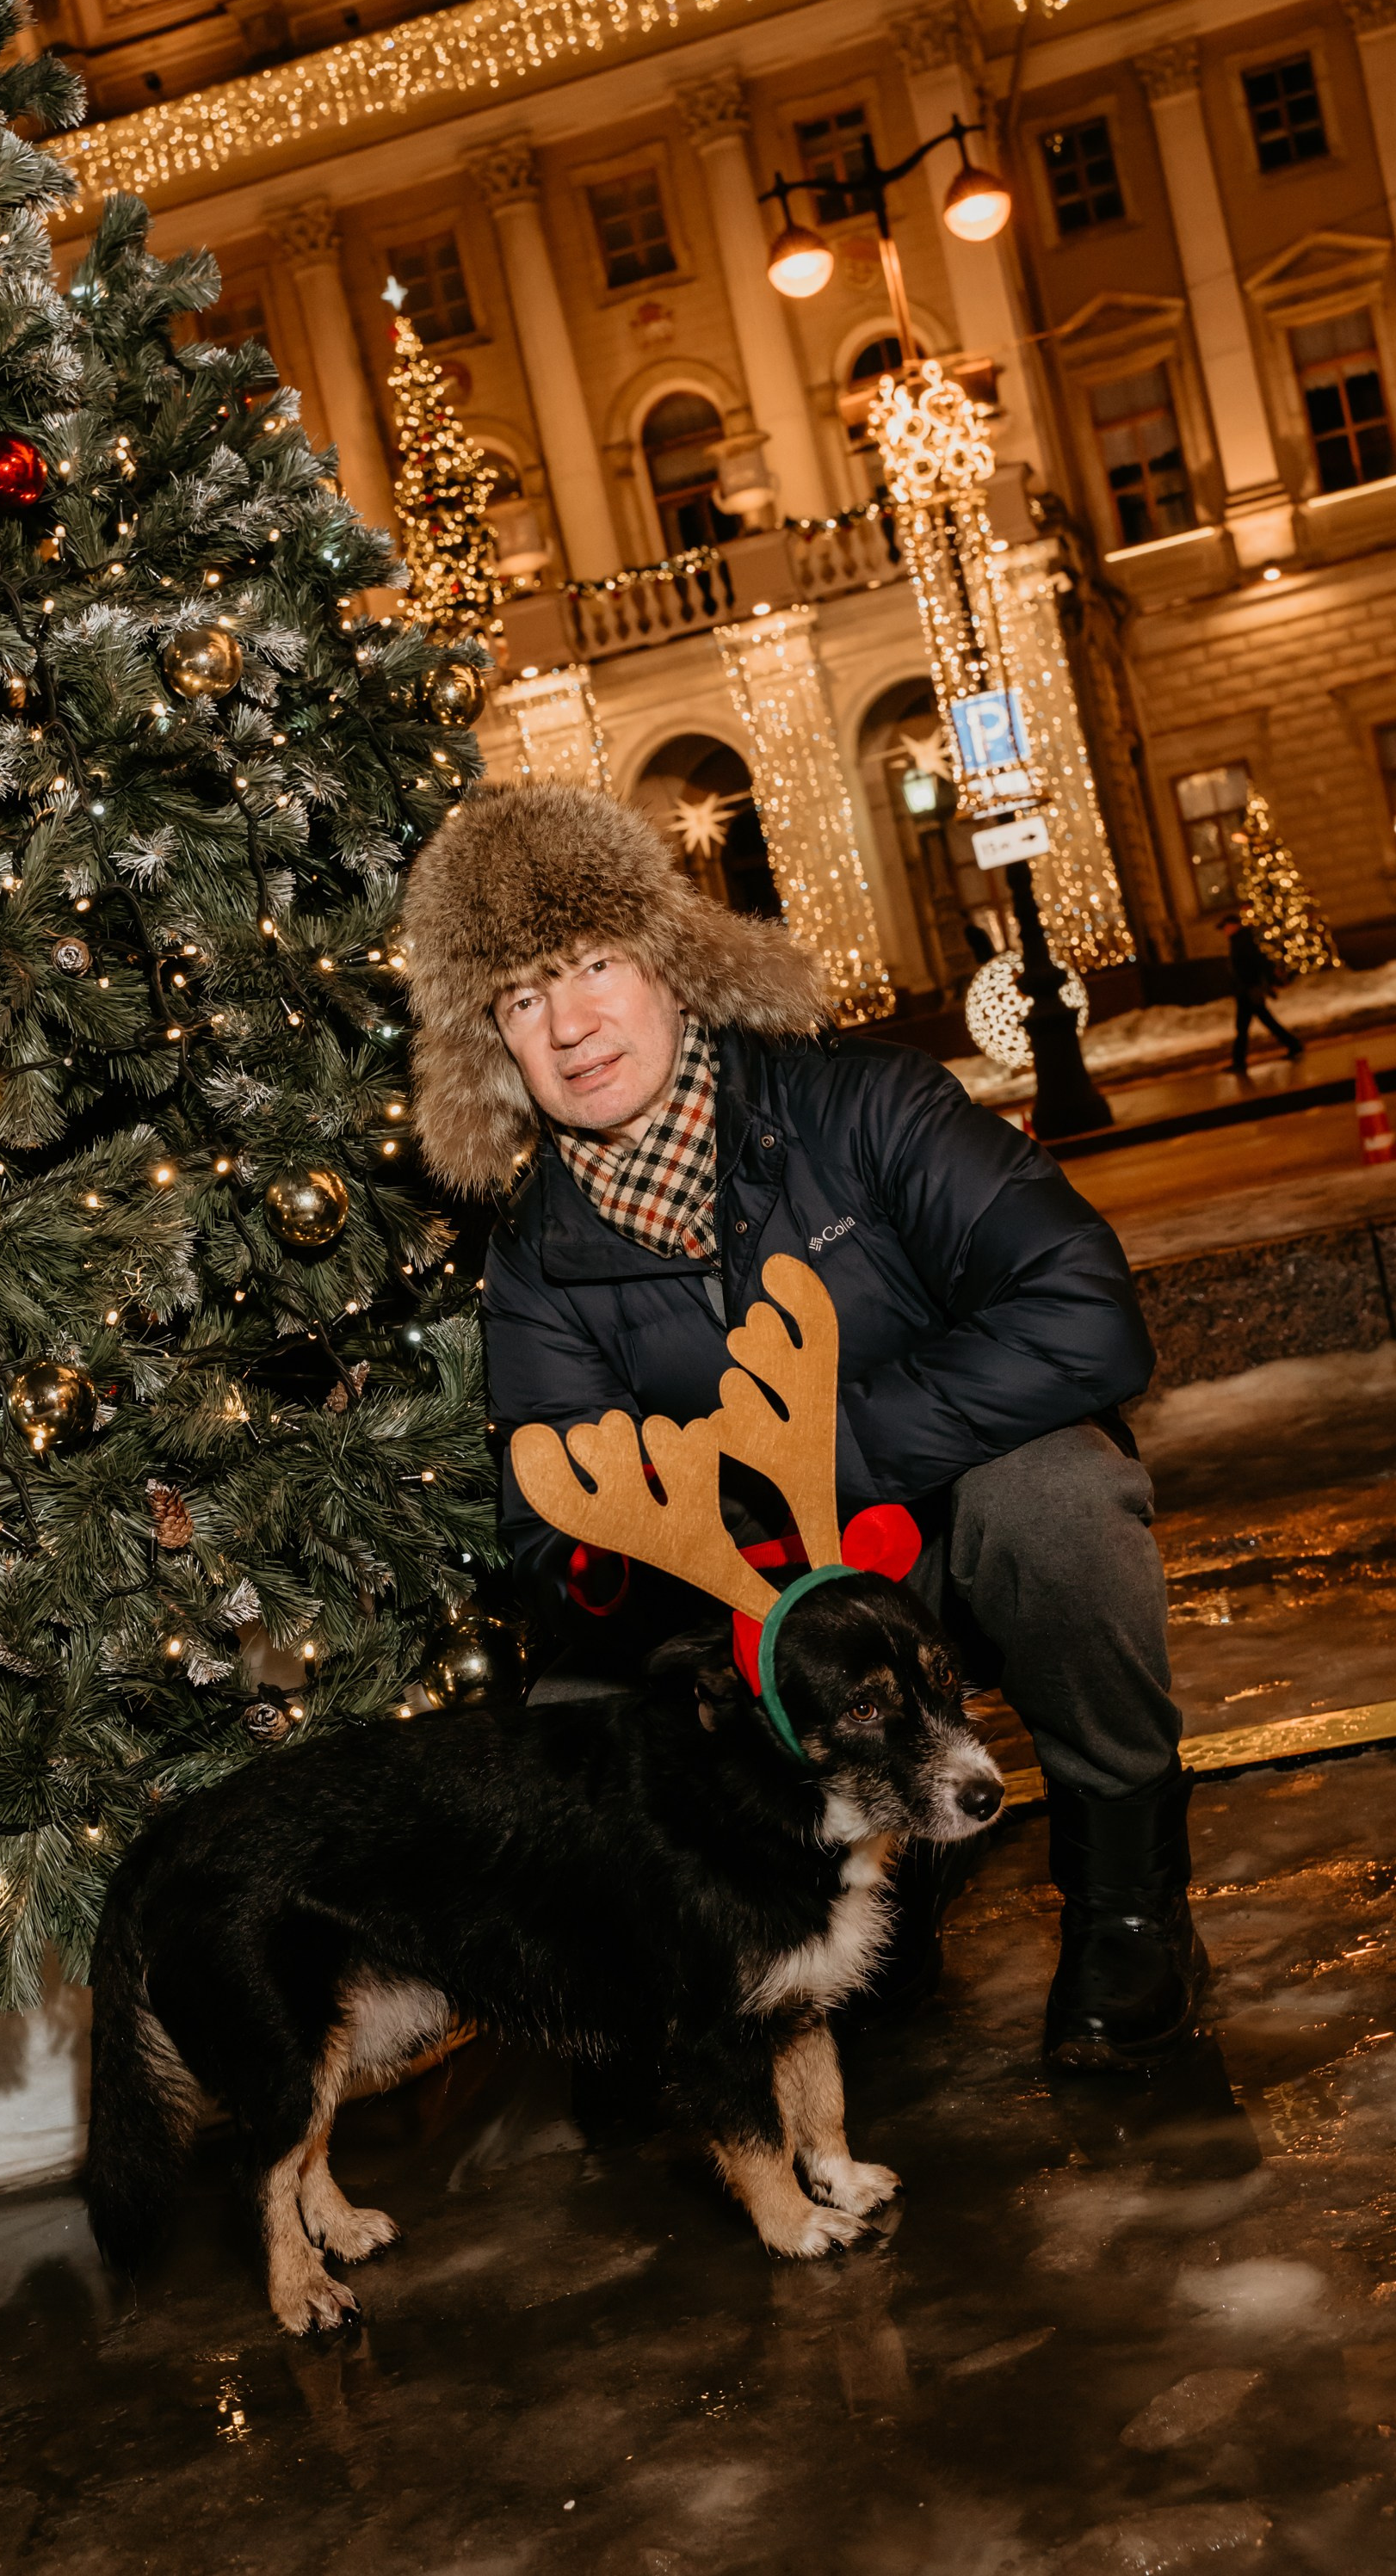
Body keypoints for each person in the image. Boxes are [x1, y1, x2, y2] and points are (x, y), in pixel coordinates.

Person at [402, 785, 1206, 2074]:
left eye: (593, 965)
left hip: (943, 1552)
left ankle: (1129, 1900)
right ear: (493, 1044)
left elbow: (1084, 1317)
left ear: (668, 960)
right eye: (520, 999)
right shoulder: (536, 1256)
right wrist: (688, 1547)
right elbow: (550, 1540)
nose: (569, 1025)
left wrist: (823, 1458)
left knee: (1054, 1498)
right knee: (579, 1698)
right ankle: (842, 1909)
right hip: (763, 1615)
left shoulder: (862, 1106)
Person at [1221, 909, 1304, 1075]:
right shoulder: (1240, 941)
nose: (1225, 931)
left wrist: (1263, 984)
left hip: (1249, 990)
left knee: (1245, 1027)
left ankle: (1239, 1062)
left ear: (1233, 926)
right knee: (1264, 1022)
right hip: (1248, 990)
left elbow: (1255, 964)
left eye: (1226, 927)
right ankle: (1293, 1045)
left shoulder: (1242, 942)